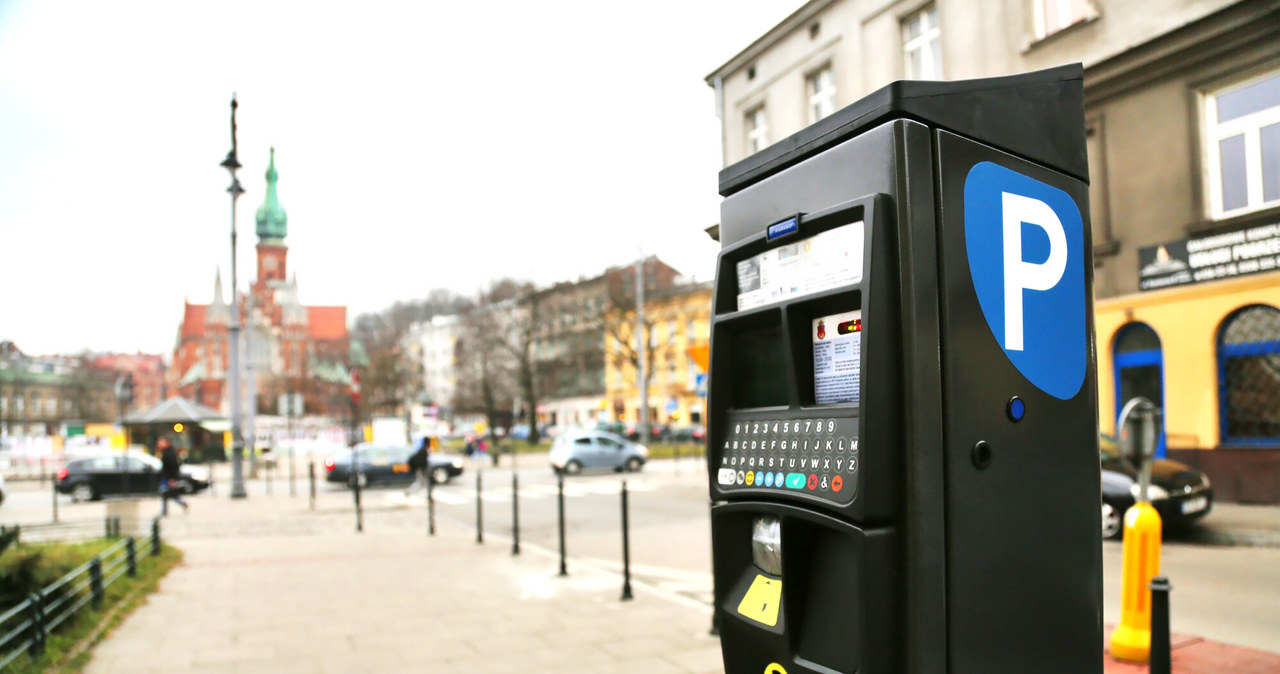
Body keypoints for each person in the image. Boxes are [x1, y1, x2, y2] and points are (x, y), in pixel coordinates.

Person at [157, 436, 188, 516]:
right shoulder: (165, 452)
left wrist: (172, 478)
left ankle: (167, 510)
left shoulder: (169, 453)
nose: (159, 444)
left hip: (168, 477)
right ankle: (180, 504)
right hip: (166, 477)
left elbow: (173, 466)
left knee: (166, 493)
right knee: (167, 493)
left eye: (161, 442)